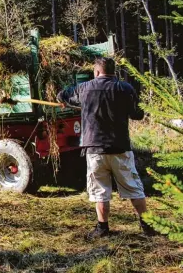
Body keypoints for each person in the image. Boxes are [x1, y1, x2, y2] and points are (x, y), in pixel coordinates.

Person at [57, 57, 156, 240]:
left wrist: (71, 102)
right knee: (134, 188)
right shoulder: (125, 88)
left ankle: (102, 228)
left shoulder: (84, 88)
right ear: (114, 71)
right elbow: (138, 114)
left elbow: (62, 95)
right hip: (120, 148)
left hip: (94, 149)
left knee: (100, 190)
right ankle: (147, 226)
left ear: (96, 72)